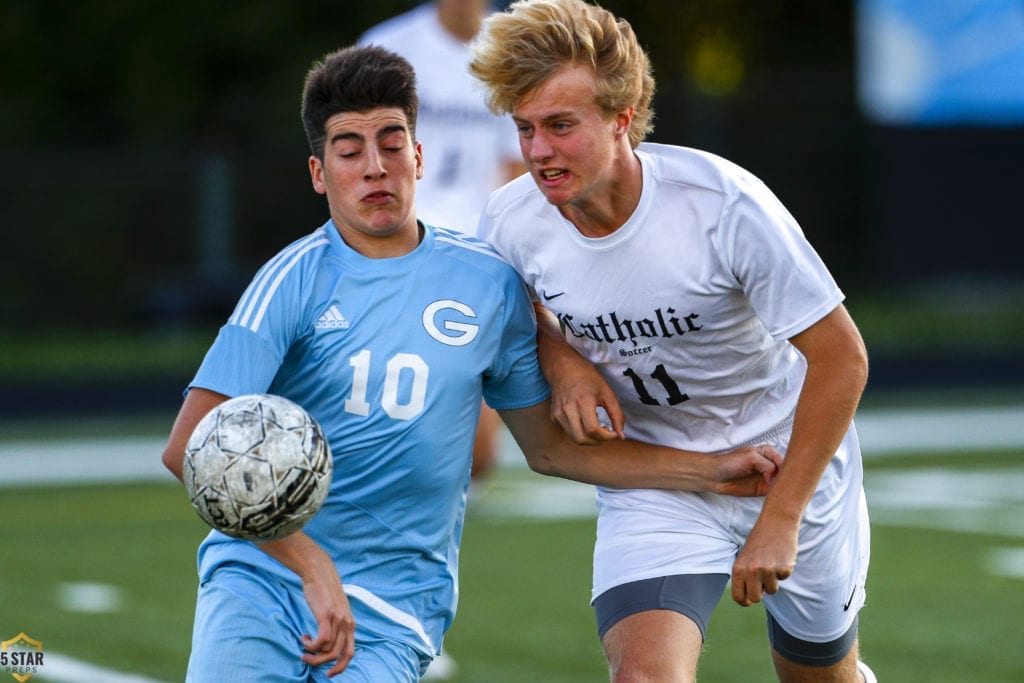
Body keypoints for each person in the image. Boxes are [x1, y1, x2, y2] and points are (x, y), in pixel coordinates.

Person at [161, 44, 784, 682]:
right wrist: (310, 563)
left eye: (392, 143)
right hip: (261, 582)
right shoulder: (291, 281)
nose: (375, 167)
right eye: (350, 151)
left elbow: (552, 450)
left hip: (395, 610)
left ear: (420, 156)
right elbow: (187, 448)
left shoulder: (487, 282)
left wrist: (709, 470)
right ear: (320, 173)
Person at [469, 1, 876, 682]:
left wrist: (781, 515)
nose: (538, 152)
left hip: (787, 468)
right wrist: (562, 357)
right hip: (653, 477)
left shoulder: (724, 207)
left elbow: (843, 357)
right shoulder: (512, 221)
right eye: (526, 128)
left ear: (622, 118)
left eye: (561, 126)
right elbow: (516, 315)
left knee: (819, 676)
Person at [359, 0, 527, 482]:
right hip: (403, 235)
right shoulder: (389, 48)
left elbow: (517, 162)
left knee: (478, 459)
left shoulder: (512, 47)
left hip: (477, 246)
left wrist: (508, 246)